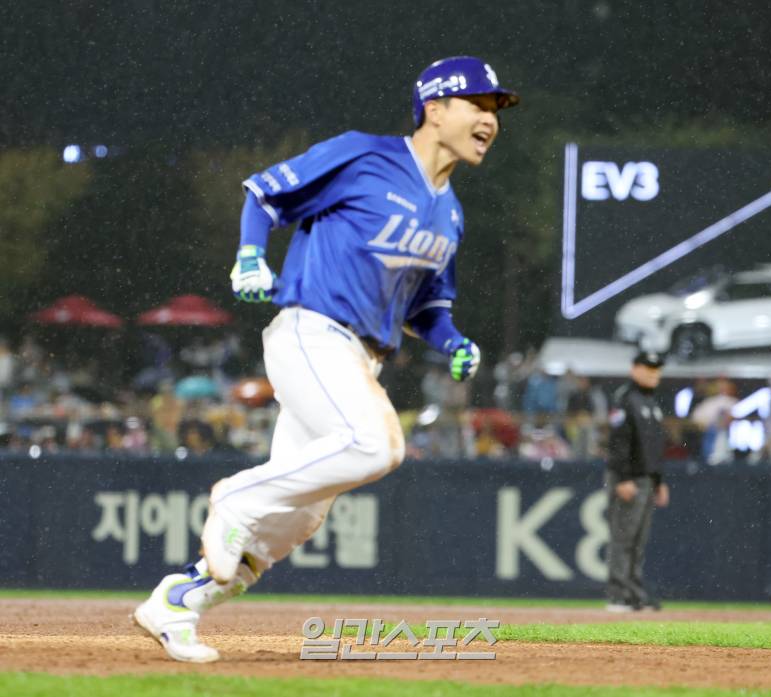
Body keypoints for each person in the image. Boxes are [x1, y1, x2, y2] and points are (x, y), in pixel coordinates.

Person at [133, 56, 519, 662]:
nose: (490, 119)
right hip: (311, 333)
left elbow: (425, 308)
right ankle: (236, 499)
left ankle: (177, 602)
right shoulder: (365, 155)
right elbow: (264, 192)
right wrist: (250, 254)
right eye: (479, 104)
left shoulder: (450, 212)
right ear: (434, 109)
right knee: (377, 445)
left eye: (495, 109)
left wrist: (453, 343)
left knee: (296, 521)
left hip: (359, 360)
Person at [605, 350, 670, 612]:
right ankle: (619, 594)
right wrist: (623, 478)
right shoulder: (625, 399)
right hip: (630, 477)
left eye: (657, 369)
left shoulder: (651, 402)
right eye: (648, 368)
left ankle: (634, 591)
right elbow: (618, 442)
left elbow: (653, 447)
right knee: (623, 538)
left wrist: (658, 481)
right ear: (634, 369)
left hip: (646, 479)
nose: (653, 373)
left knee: (638, 540)